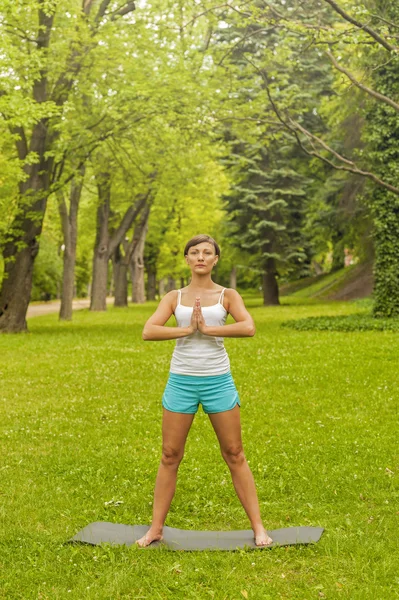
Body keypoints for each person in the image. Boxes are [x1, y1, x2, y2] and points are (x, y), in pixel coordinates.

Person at [136, 234, 273, 547]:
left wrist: (209, 329)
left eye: (207, 252)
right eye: (194, 252)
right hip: (181, 381)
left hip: (217, 381)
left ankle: (259, 528)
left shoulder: (228, 295)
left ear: (215, 260)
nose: (200, 257)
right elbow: (148, 330)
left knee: (234, 453)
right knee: (170, 455)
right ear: (187, 259)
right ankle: (155, 529)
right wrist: (185, 330)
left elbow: (248, 327)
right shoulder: (175, 297)